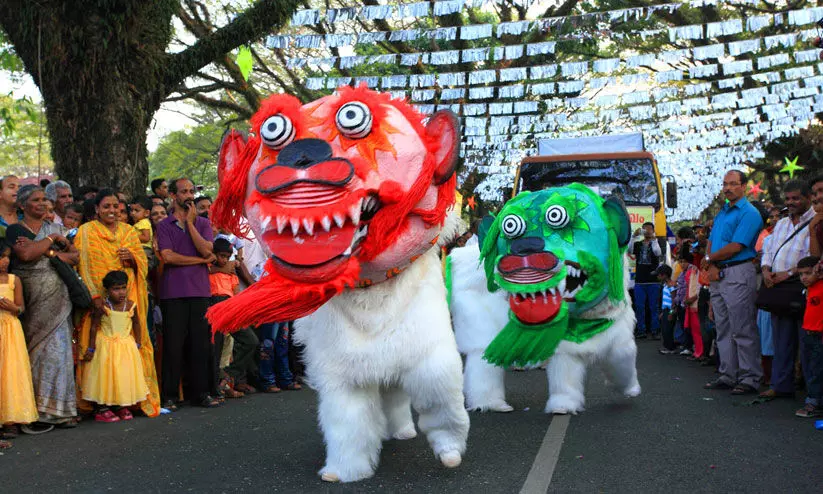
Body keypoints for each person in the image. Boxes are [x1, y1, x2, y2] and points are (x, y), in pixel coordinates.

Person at [74, 189, 160, 418]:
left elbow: (142, 263)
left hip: (125, 300)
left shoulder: (129, 231)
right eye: (106, 206)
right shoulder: (86, 231)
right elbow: (83, 266)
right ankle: (100, 403)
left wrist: (132, 259)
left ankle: (124, 399)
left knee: (124, 353)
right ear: (96, 209)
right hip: (98, 303)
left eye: (116, 207)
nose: (112, 211)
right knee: (100, 352)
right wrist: (95, 296)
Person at [5, 185, 79, 428]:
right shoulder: (15, 229)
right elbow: (26, 255)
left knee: (60, 350)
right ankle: (36, 411)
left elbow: (75, 256)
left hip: (58, 296)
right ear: (22, 205)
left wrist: (47, 251)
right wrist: (52, 242)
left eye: (44, 199)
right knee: (35, 351)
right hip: (31, 296)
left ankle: (61, 411)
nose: (43, 203)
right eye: (36, 200)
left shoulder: (55, 228)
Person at [156, 178, 217, 409]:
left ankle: (201, 393)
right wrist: (200, 261)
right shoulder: (164, 225)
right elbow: (168, 256)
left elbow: (207, 249)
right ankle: (170, 395)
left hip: (199, 291)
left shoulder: (202, 223)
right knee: (173, 346)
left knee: (200, 344)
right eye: (184, 192)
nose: (189, 195)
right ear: (173, 196)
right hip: (173, 292)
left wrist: (191, 223)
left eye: (191, 191)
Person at [702, 170, 763, 395]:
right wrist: (710, 262)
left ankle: (750, 377)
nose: (727, 188)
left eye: (733, 184)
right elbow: (711, 241)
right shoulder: (723, 212)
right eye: (725, 184)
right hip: (718, 273)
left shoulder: (749, 213)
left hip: (738, 271)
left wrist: (710, 259)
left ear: (744, 186)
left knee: (742, 328)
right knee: (723, 328)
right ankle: (728, 374)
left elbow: (737, 246)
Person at [759, 180, 815, 400]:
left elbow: (812, 257)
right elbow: (769, 249)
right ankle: (781, 385)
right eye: (788, 198)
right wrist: (766, 270)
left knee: (807, 341)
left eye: (796, 198)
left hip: (802, 286)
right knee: (781, 341)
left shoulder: (815, 221)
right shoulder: (782, 223)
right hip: (778, 288)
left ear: (808, 198)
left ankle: (813, 394)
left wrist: (789, 273)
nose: (791, 203)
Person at [80, 270, 149, 423]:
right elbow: (93, 327)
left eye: (123, 288)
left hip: (125, 346)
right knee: (105, 376)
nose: (121, 292)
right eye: (116, 289)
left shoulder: (131, 305)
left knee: (122, 375)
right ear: (107, 291)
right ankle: (102, 407)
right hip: (106, 346)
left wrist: (138, 342)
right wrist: (91, 348)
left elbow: (136, 324)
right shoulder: (103, 307)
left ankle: (119, 404)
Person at [0, 244, 38, 443]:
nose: (5, 261)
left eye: (7, 257)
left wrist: (12, 307)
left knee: (10, 372)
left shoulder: (14, 280)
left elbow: (21, 308)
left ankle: (11, 418)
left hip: (10, 329)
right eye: (1, 257)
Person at [208, 238, 244, 399]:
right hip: (215, 306)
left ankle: (227, 378)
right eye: (221, 256)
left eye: (227, 257)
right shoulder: (209, 268)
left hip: (230, 308)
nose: (224, 260)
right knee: (217, 350)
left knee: (245, 342)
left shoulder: (230, 271)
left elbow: (236, 291)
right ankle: (219, 387)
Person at [796, 256, 823, 417]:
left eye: (807, 273)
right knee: (811, 369)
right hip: (808, 333)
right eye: (801, 274)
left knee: (816, 371)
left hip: (820, 335)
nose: (803, 277)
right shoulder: (809, 288)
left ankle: (813, 403)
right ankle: (814, 401)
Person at [631, 222, 663, 339]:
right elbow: (629, 250)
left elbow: (657, 252)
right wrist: (634, 236)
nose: (647, 231)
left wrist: (654, 239)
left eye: (650, 229)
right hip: (640, 281)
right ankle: (641, 330)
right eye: (645, 229)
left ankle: (655, 330)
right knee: (639, 307)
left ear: (653, 231)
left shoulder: (656, 243)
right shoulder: (638, 244)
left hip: (653, 280)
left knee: (654, 307)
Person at [656, 265, 678, 355]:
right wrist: (662, 312)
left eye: (659, 275)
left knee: (668, 330)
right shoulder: (665, 285)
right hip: (665, 310)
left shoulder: (671, 286)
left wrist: (671, 313)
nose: (658, 277)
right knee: (664, 329)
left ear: (664, 275)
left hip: (670, 310)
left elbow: (674, 302)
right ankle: (667, 346)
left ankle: (670, 347)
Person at [810, 176, 823, 259]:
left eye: (822, 190)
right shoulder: (818, 223)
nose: (818, 196)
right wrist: (811, 228)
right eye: (816, 193)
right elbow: (815, 258)